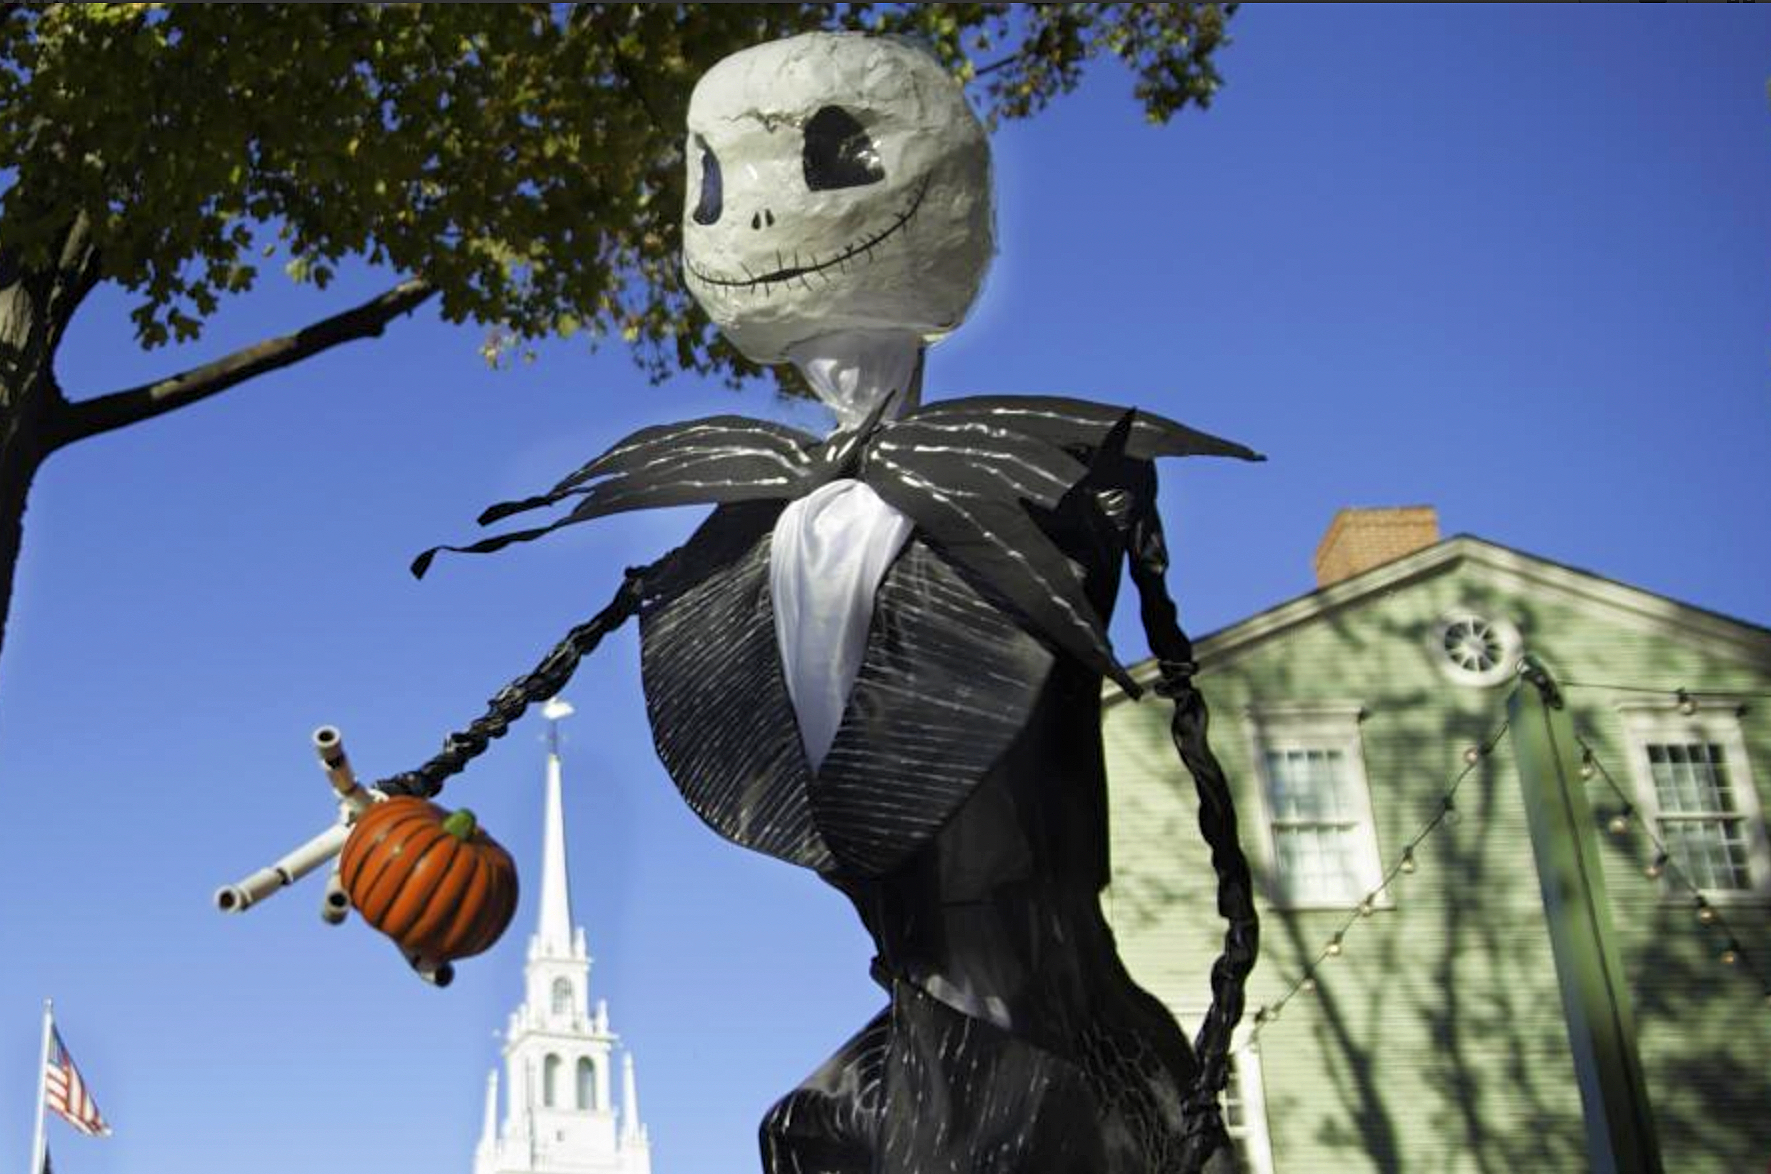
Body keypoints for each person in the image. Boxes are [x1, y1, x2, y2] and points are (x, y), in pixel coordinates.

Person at [390, 32, 1259, 1173]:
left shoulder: (1042, 491)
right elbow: (609, 633)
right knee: (806, 1133)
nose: (753, 213)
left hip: (1045, 1045)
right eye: (714, 182)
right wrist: (421, 788)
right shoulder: (751, 528)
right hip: (923, 1035)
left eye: (829, 153)